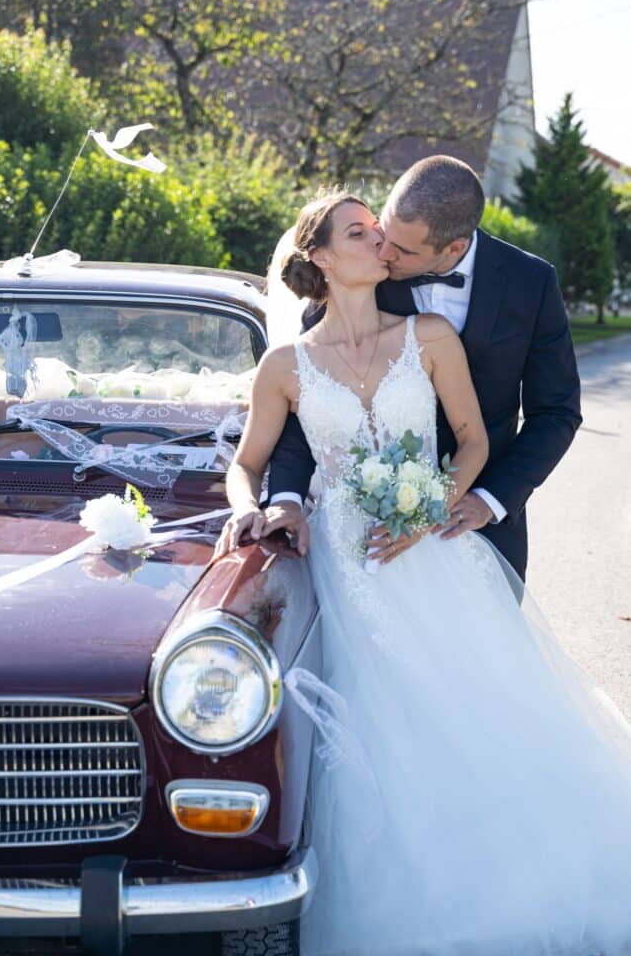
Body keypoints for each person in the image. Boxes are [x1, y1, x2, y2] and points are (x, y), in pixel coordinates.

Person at [214, 188, 631, 956]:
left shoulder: (431, 332)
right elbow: (249, 462)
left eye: (382, 232)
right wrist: (261, 508)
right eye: (360, 232)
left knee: (477, 709)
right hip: (343, 562)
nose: (379, 243)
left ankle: (517, 884)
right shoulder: (286, 361)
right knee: (378, 724)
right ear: (318, 257)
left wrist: (435, 503)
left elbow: (475, 438)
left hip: (436, 544)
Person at [263, 156, 582, 581]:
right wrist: (285, 496)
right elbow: (308, 404)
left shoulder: (532, 283)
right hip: (370, 534)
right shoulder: (359, 277)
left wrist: (491, 498)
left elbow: (557, 412)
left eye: (404, 249)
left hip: (479, 523)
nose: (384, 251)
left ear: (453, 247)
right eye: (384, 231)